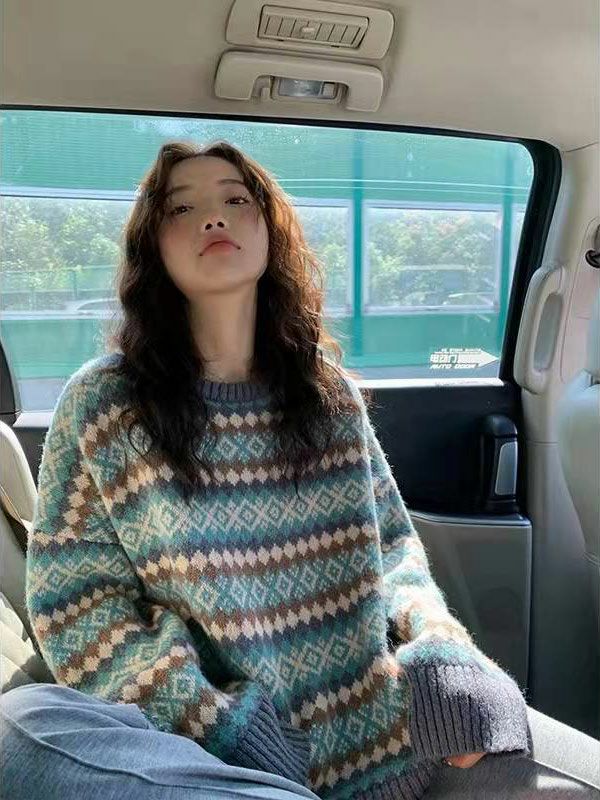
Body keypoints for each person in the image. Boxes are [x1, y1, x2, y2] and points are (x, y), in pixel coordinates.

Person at [1, 141, 598, 800]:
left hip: (393, 738)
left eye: (236, 199)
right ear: (152, 245)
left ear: (270, 229)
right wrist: (214, 722)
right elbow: (77, 609)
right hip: (214, 764)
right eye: (181, 208)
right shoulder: (105, 405)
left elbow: (393, 551)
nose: (213, 217)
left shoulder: (327, 392)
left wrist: (444, 650)